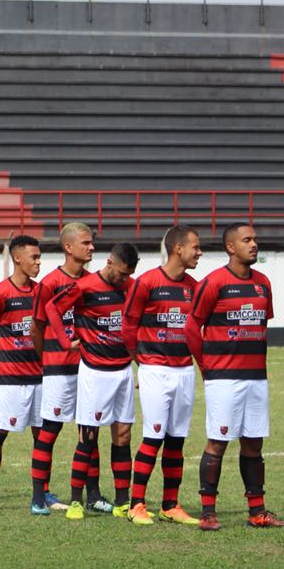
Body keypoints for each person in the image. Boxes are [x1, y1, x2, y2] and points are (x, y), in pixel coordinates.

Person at [186, 223, 284, 531]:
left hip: (256, 377)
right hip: (224, 378)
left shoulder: (263, 283)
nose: (254, 244)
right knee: (217, 443)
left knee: (253, 445)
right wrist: (205, 366)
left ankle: (257, 511)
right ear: (231, 247)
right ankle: (208, 513)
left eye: (255, 239)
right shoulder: (214, 283)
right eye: (247, 240)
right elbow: (192, 327)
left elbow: (261, 325)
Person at [44, 242, 140, 520]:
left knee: (123, 437)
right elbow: (53, 309)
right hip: (95, 372)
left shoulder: (132, 287)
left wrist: (141, 364)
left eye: (128, 275)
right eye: (121, 273)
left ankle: (123, 502)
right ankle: (76, 501)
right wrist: (65, 341)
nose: (124, 279)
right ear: (110, 263)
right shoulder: (85, 286)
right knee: (88, 436)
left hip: (123, 370)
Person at [121, 224, 203, 526]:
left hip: (184, 371)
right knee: (152, 437)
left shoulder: (194, 286)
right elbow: (128, 327)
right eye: (195, 246)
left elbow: (196, 331)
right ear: (177, 249)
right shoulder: (146, 283)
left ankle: (170, 504)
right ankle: (136, 504)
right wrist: (140, 362)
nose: (200, 252)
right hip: (155, 369)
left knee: (177, 439)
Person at [30, 221, 94, 515]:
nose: (91, 247)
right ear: (68, 247)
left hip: (88, 369)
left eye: (91, 242)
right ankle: (37, 496)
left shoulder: (93, 282)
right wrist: (49, 360)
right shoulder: (50, 283)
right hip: (58, 369)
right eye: (85, 242)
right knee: (50, 431)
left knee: (90, 432)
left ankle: (92, 495)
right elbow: (37, 327)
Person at [0, 235, 45, 513]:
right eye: (34, 257)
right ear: (18, 258)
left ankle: (43, 493)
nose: (38, 263)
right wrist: (2, 361)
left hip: (40, 376)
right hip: (10, 377)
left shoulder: (42, 292)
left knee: (43, 437)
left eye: (39, 257)